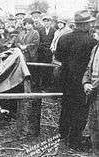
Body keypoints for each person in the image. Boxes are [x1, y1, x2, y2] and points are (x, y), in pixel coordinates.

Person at [55, 10, 97, 152]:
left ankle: (63, 135)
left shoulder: (63, 38)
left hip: (66, 79)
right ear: (85, 25)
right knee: (80, 110)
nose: (91, 25)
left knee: (66, 106)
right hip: (82, 82)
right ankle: (75, 140)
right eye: (90, 23)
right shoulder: (93, 42)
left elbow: (59, 58)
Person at [15, 17, 41, 136]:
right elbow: (17, 41)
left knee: (30, 72)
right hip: (22, 55)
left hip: (30, 56)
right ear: (24, 25)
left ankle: (30, 87)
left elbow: (36, 43)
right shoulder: (21, 33)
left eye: (30, 24)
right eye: (26, 24)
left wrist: (28, 47)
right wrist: (20, 46)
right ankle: (23, 86)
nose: (28, 26)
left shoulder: (35, 33)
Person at [82, 15, 99, 156]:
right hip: (94, 95)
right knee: (94, 126)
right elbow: (89, 68)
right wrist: (86, 83)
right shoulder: (95, 48)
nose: (96, 32)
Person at [37, 16, 56, 91]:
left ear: (50, 22)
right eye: (45, 21)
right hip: (42, 52)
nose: (46, 23)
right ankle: (42, 85)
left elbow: (54, 41)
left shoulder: (54, 30)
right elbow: (39, 40)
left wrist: (49, 48)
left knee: (49, 69)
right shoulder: (40, 30)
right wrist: (43, 47)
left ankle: (48, 84)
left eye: (47, 21)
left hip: (50, 52)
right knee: (42, 68)